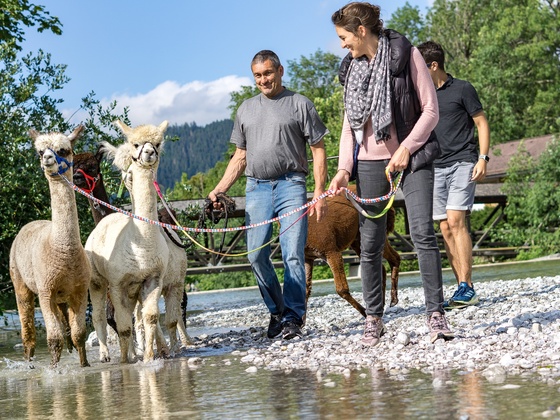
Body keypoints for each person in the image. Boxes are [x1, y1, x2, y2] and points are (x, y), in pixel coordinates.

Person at [329, 2, 454, 345]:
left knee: (422, 234)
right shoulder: (351, 70)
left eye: (344, 37)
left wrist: (406, 148)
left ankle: (436, 313)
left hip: (412, 159)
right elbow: (347, 129)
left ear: (361, 31)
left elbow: (431, 111)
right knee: (370, 245)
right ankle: (374, 318)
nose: (342, 44)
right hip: (369, 164)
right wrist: (343, 170)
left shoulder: (407, 55)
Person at [208, 50, 329, 340]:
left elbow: (318, 148)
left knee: (292, 255)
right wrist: (219, 189)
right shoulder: (245, 109)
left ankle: (293, 318)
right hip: (257, 187)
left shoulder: (300, 104)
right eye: (258, 75)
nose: (264, 80)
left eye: (268, 73)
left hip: (291, 184)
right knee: (256, 255)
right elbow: (240, 156)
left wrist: (320, 191)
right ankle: (276, 310)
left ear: (280, 71)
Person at [417, 41, 490, 310]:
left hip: (463, 161)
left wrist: (483, 158)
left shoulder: (462, 88)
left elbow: (481, 122)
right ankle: (462, 285)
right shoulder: (422, 97)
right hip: (435, 166)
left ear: (433, 66)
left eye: (421, 68)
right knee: (445, 227)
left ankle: (467, 286)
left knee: (456, 220)